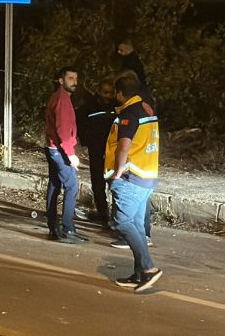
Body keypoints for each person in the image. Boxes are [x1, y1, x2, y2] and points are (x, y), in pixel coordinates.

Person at [105, 75, 162, 292]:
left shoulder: (129, 114)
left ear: (120, 93)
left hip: (131, 177)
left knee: (122, 222)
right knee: (137, 225)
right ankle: (139, 274)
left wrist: (117, 174)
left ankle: (148, 269)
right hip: (147, 175)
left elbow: (123, 147)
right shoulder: (147, 109)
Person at [44, 66, 88, 243]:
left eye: (75, 79)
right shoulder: (62, 99)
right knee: (71, 186)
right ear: (61, 80)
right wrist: (70, 154)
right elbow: (63, 129)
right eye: (70, 78)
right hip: (59, 150)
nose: (74, 82)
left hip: (53, 147)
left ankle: (53, 225)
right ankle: (67, 228)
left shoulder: (59, 97)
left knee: (55, 184)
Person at [76, 79, 117, 227]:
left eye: (111, 93)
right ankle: (103, 215)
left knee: (116, 184)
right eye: (105, 92)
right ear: (99, 91)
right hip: (96, 150)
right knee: (98, 184)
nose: (108, 96)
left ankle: (117, 216)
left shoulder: (117, 107)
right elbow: (81, 124)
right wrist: (87, 142)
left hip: (114, 151)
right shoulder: (89, 107)